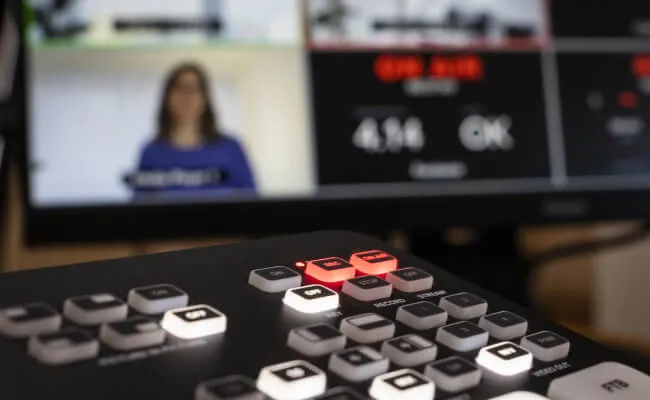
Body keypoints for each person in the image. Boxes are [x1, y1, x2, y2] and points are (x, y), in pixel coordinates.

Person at [135, 62, 256, 194]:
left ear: (205, 99)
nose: (187, 97)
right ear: (167, 97)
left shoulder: (231, 149)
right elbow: (140, 201)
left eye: (194, 89)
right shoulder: (151, 153)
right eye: (180, 88)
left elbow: (251, 199)